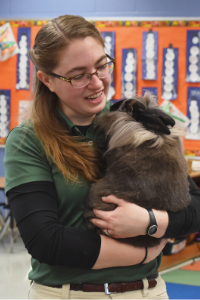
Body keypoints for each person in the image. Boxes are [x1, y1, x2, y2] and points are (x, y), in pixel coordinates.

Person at [3, 15, 200, 299]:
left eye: (101, 66)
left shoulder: (134, 118)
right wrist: (143, 253)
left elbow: (194, 206)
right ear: (47, 80)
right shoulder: (28, 140)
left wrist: (147, 222)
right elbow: (46, 240)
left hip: (147, 292)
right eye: (78, 75)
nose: (96, 83)